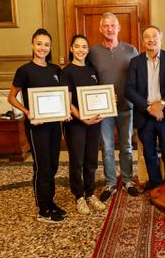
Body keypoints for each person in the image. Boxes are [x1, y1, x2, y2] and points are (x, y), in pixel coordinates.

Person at [7, 29, 67, 223]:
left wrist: (64, 112)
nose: (43, 48)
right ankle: (43, 210)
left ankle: (50, 202)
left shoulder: (55, 70)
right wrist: (27, 112)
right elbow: (11, 97)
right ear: (32, 45)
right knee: (42, 166)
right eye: (39, 43)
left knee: (53, 165)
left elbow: (62, 96)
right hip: (37, 126)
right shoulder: (24, 71)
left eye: (46, 45)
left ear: (50, 48)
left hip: (54, 125)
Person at [87, 12, 140, 201]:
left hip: (127, 106)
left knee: (126, 145)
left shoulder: (130, 50)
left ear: (118, 28)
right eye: (106, 26)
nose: (109, 29)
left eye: (112, 25)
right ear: (101, 29)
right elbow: (87, 78)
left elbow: (138, 77)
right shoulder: (92, 52)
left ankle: (127, 180)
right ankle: (110, 182)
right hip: (104, 110)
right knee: (107, 147)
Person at [125, 26, 165, 189]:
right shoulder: (135, 62)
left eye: (154, 36)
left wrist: (161, 105)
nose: (151, 40)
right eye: (147, 37)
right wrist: (149, 108)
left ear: (160, 38)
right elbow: (129, 89)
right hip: (145, 115)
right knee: (149, 154)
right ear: (143, 41)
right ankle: (156, 186)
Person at [60, 35, 107, 214]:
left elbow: (97, 95)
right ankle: (79, 196)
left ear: (88, 50)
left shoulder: (91, 70)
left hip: (94, 123)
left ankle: (90, 193)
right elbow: (68, 101)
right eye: (77, 46)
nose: (81, 50)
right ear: (71, 49)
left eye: (84, 47)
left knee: (91, 161)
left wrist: (108, 102)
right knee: (77, 161)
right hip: (76, 124)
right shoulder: (67, 72)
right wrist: (83, 118)